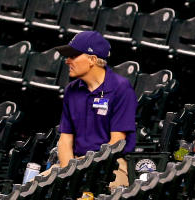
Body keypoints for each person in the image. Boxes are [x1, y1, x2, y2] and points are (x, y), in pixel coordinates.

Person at [55, 31, 137, 189]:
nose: (67, 61)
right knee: (33, 188)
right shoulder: (71, 90)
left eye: (73, 56)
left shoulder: (120, 88)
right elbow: (65, 140)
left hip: (112, 166)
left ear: (92, 59)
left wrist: (83, 170)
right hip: (76, 163)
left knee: (94, 191)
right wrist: (68, 174)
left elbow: (116, 144)